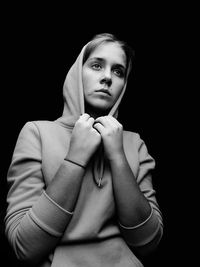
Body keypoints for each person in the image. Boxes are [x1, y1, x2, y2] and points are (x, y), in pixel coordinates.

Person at [5, 33, 163, 267]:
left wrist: (117, 157)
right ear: (77, 72)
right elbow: (25, 247)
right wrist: (75, 158)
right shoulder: (37, 133)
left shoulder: (134, 143)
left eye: (118, 71)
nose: (107, 77)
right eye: (97, 66)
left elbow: (148, 242)